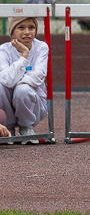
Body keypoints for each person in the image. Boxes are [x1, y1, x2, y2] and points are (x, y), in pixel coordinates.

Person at [0, 16, 49, 144]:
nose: (27, 32)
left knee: (22, 89)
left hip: (35, 104)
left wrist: (17, 84)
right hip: (9, 102)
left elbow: (38, 75)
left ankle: (26, 127)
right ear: (12, 32)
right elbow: (5, 79)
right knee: (0, 86)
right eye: (21, 27)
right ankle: (7, 127)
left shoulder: (42, 47)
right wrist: (24, 56)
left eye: (31, 27)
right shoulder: (3, 50)